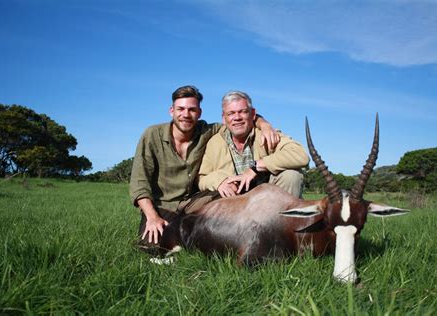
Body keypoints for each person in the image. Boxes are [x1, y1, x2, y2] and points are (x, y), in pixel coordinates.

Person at [129, 85, 279, 250]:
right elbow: (139, 183)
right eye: (181, 109)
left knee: (227, 197)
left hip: (195, 202)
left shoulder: (208, 130)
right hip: (163, 205)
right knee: (156, 248)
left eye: (192, 110)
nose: (186, 115)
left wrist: (264, 124)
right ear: (171, 111)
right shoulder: (152, 135)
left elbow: (238, 119)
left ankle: (253, 238)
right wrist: (152, 217)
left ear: (199, 113)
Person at [198, 90, 309, 198]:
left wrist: (255, 167)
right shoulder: (214, 142)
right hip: (235, 203)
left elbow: (301, 155)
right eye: (231, 113)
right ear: (224, 118)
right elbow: (202, 178)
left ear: (253, 114)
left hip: (269, 199)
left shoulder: (266, 134)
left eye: (243, 111)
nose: (237, 118)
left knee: (291, 175)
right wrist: (219, 181)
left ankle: (284, 216)